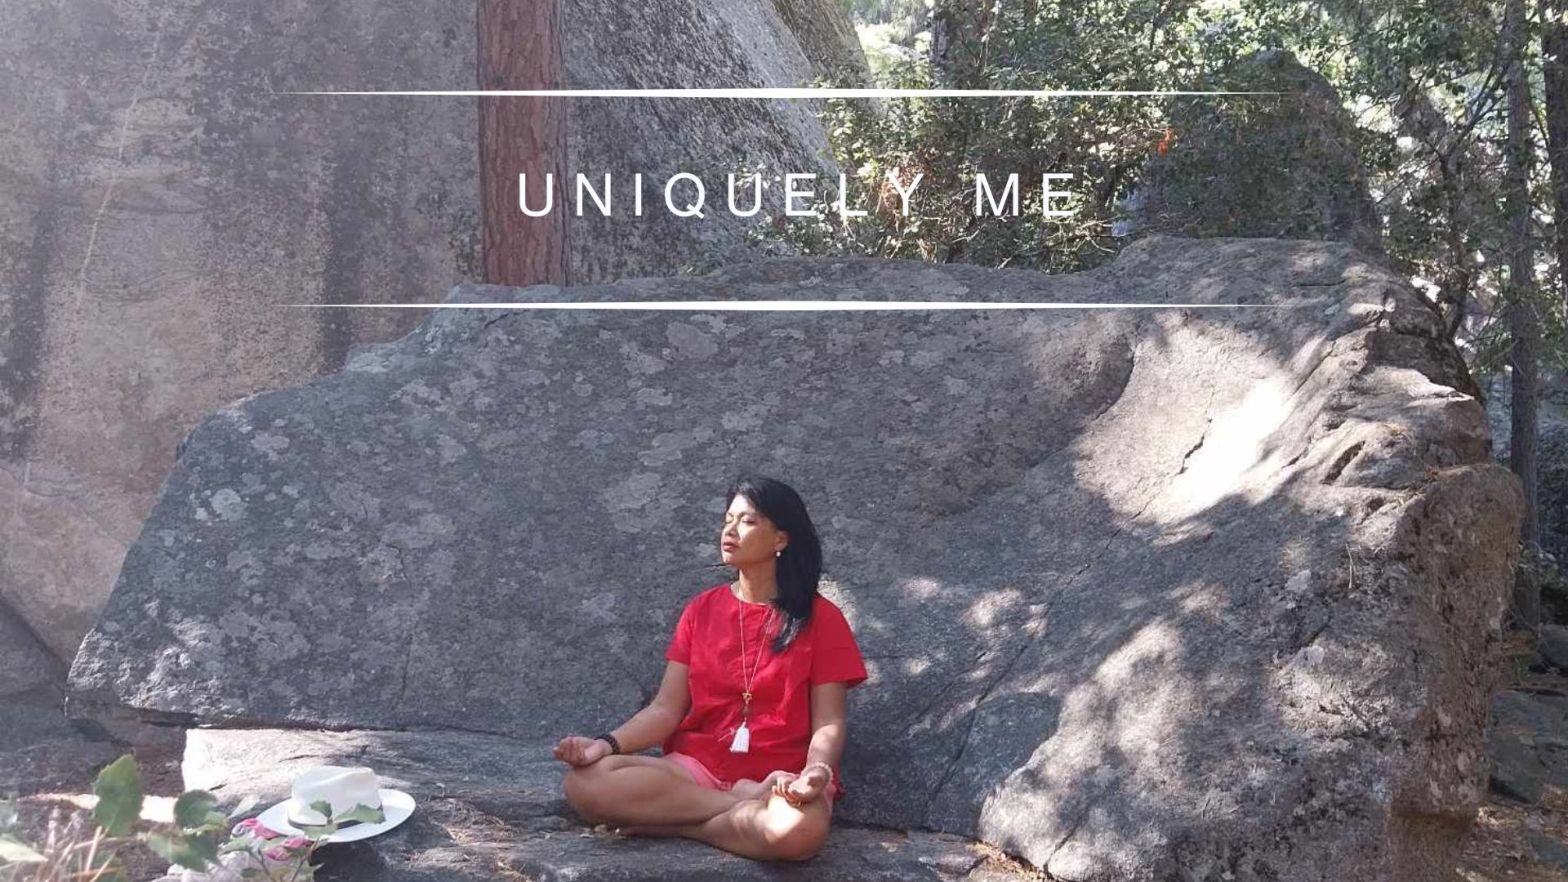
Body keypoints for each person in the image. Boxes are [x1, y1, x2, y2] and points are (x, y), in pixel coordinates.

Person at [553, 473, 869, 862]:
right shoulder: (701, 610)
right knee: (586, 782)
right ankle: (728, 809)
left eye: (748, 521)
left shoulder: (822, 618)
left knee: (796, 833)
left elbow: (829, 722)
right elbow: (666, 709)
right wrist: (604, 745)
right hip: (695, 769)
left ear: (781, 539)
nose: (730, 531)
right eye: (728, 520)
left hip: (781, 781)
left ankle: (675, 823)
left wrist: (816, 771)